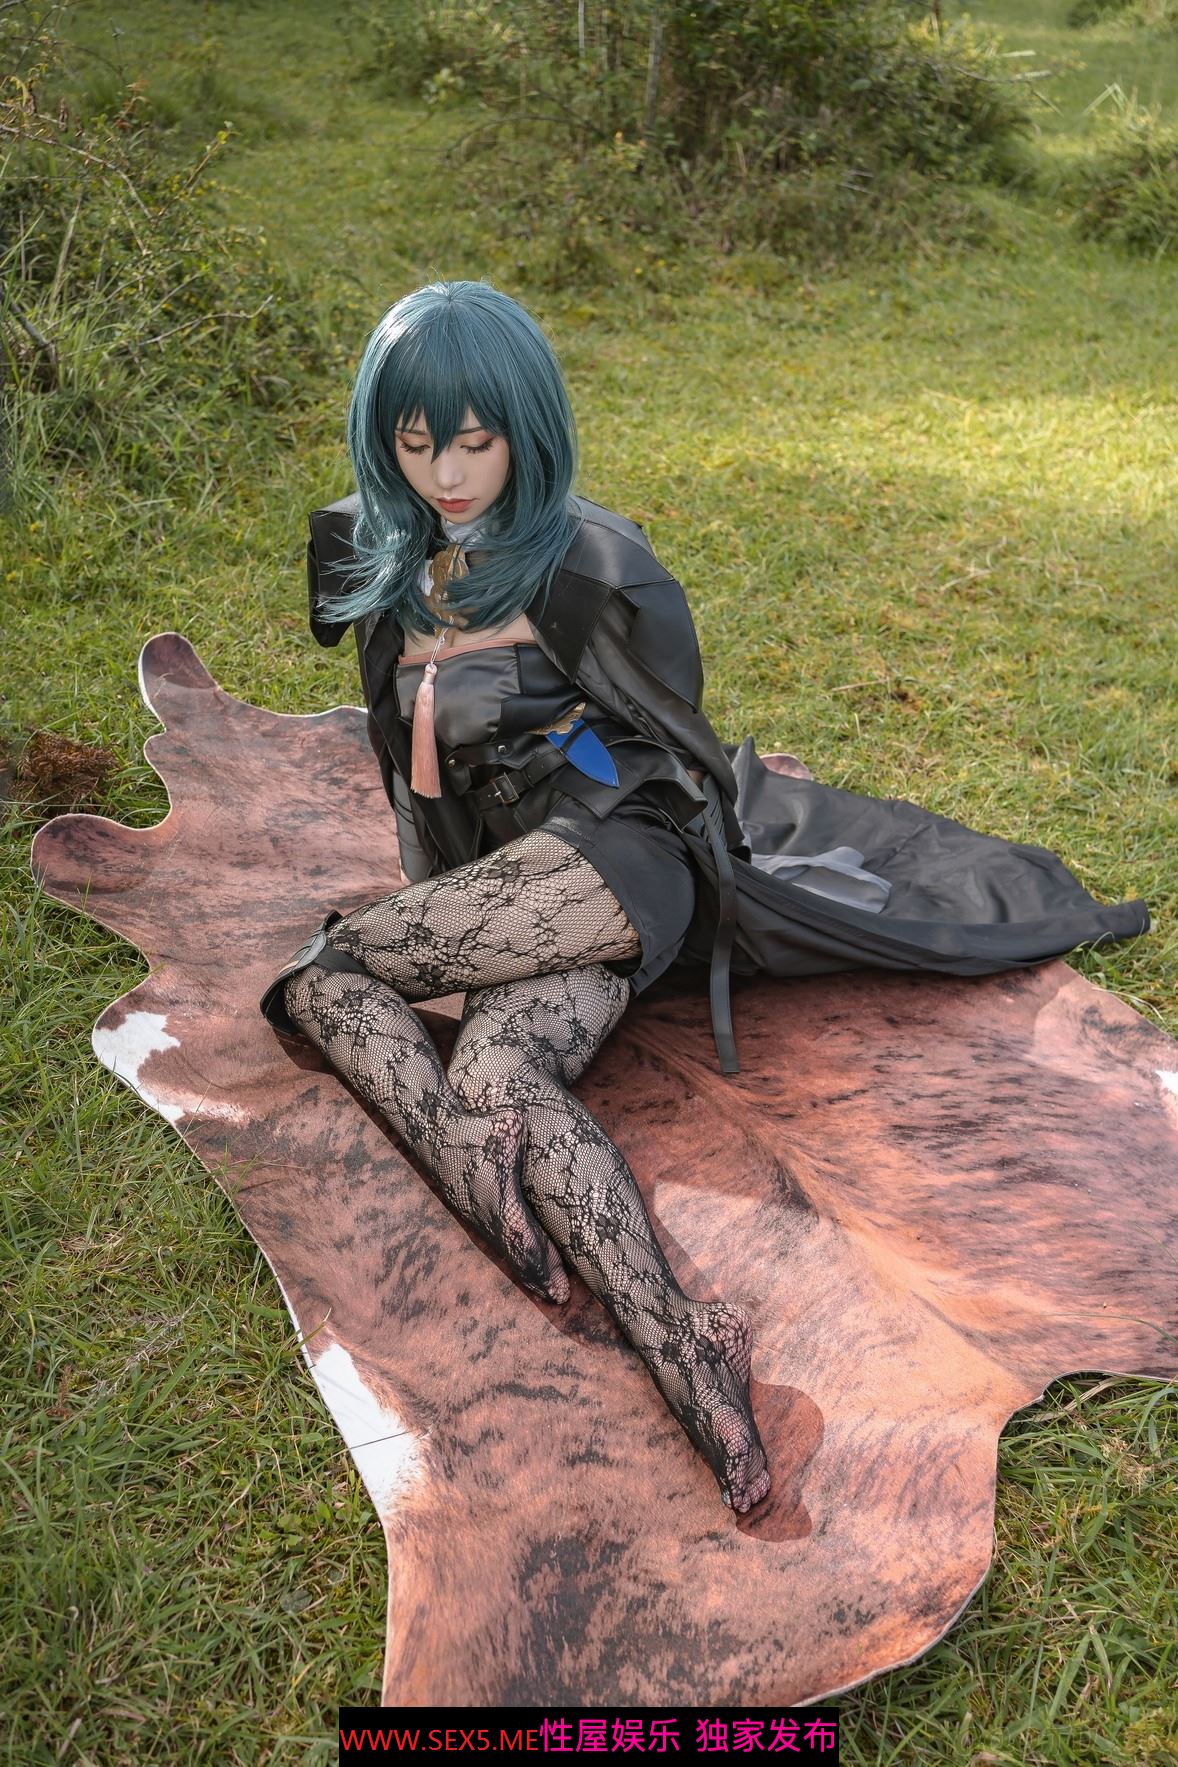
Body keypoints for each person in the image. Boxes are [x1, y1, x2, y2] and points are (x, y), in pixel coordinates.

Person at [259, 278, 1150, 1518]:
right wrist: (452, 904)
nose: (447, 474)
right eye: (416, 445)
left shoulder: (591, 563)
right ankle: (688, 1347)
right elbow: (403, 762)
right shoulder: (374, 546)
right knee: (498, 1076)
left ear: (525, 429)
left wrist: (548, 809)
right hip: (515, 881)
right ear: (381, 440)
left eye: (474, 441)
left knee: (324, 976)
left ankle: (468, 1171)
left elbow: (659, 751)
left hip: (616, 848)